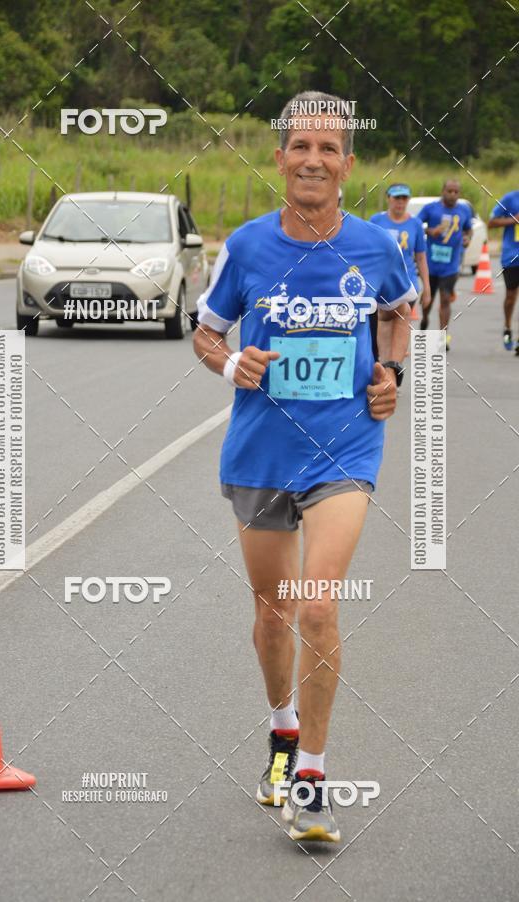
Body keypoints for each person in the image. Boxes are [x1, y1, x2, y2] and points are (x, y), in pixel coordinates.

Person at [193, 90, 416, 842]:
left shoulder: (377, 247)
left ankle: (314, 779)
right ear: (279, 159)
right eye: (301, 147)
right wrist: (232, 367)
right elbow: (206, 333)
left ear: (348, 166)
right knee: (273, 612)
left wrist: (390, 377)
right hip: (260, 451)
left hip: (345, 450)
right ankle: (283, 731)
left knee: (317, 604)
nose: (313, 159)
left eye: (329, 149)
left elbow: (398, 310)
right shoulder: (248, 247)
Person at [370, 184, 430, 358]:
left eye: (404, 198)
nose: (400, 202)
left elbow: (420, 257)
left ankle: (392, 364)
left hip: (405, 282)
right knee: (381, 323)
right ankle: (382, 360)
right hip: (379, 282)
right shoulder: (376, 221)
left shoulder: (415, 224)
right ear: (388, 198)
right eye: (397, 198)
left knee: (398, 320)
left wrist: (426, 286)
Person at [418, 180, 472, 351]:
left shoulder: (464, 210)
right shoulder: (431, 208)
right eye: (450, 191)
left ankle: (442, 336)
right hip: (431, 264)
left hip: (451, 265)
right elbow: (415, 225)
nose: (453, 195)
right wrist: (430, 231)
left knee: (446, 299)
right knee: (429, 299)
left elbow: (468, 229)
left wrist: (467, 238)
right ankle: (425, 319)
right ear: (443, 191)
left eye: (456, 192)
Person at [488, 189, 519, 351]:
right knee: (511, 297)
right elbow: (491, 222)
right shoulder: (510, 198)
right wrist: (514, 220)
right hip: (512, 256)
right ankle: (507, 327)